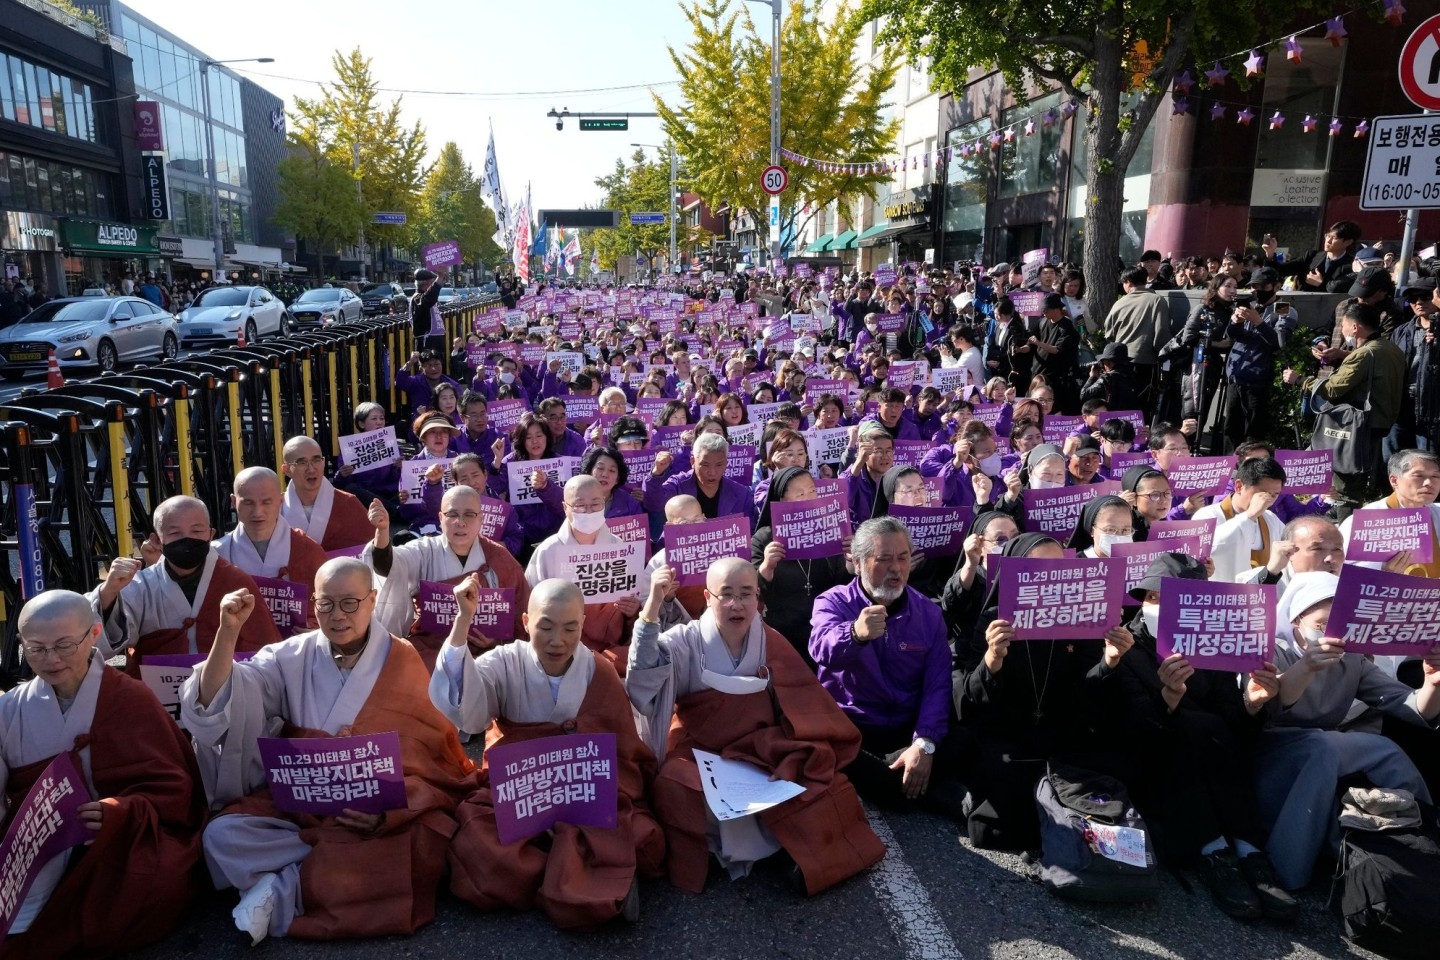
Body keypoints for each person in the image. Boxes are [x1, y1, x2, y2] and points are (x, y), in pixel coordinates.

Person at [181, 558, 479, 943]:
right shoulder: (290, 655)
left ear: (372, 601)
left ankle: (280, 887)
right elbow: (230, 694)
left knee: (426, 841)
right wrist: (228, 634)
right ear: (314, 605)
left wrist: (390, 813)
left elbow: (433, 760)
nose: (337, 616)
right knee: (221, 836)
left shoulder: (402, 659)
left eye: (350, 603)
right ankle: (315, 875)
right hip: (302, 810)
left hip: (374, 816)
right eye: (326, 604)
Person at [625, 559, 885, 894]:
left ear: (757, 597)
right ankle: (778, 845)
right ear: (707, 597)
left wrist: (791, 752)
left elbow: (802, 701)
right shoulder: (683, 641)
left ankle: (793, 855)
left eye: (746, 594)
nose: (737, 604)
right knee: (674, 786)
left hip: (760, 747)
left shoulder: (769, 639)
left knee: (819, 774)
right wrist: (652, 608)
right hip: (701, 748)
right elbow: (643, 680)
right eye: (726, 595)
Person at [430, 577, 664, 927]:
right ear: (526, 623)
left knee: (640, 831)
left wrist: (576, 801)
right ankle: (585, 878)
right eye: (546, 627)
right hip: (521, 794)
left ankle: (551, 874)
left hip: (583, 796)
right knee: (475, 842)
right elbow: (470, 711)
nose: (558, 641)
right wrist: (463, 620)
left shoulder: (598, 671)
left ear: (584, 624)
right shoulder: (505, 663)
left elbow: (622, 755)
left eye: (571, 628)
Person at [0, 591, 206, 958]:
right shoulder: (9, 710)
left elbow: (175, 787)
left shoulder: (130, 698)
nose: (52, 659)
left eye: (64, 645)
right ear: (21, 644)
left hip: (113, 840)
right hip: (36, 846)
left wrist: (119, 811)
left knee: (158, 883)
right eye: (36, 649)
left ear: (94, 634)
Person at [1115, 555, 1295, 920]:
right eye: (1151, 597)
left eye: (1173, 599)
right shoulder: (1128, 648)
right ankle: (1213, 850)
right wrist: (1169, 698)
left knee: (1211, 726)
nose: (1157, 606)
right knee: (1197, 726)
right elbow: (1132, 730)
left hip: (1214, 756)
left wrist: (1252, 703)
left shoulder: (1215, 643)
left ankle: (1248, 849)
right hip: (1156, 763)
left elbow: (1234, 726)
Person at [1259, 572, 1440, 890]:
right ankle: (1288, 867)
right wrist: (1307, 667)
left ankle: (1425, 841)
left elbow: (1409, 706)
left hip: (1323, 746)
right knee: (1323, 747)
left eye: (1341, 625)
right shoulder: (1274, 649)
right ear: (1298, 619)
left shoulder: (1352, 659)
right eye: (1321, 622)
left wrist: (1433, 683)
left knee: (1385, 749)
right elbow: (1274, 705)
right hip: (1271, 746)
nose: (1331, 633)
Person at [954, 533, 1135, 850]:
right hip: (1006, 735)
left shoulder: (1081, 617)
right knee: (1000, 813)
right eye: (1037, 568)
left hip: (1061, 735)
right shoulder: (993, 619)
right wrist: (992, 659)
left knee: (1115, 771)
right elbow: (967, 700)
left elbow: (1088, 693)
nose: (1049, 576)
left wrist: (1109, 660)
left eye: (1057, 566)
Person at [810, 517, 964, 815]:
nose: (896, 568)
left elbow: (938, 684)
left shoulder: (927, 613)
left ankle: (902, 773)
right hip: (852, 728)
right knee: (827, 753)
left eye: (903, 558)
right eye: (883, 559)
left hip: (904, 726)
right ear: (857, 562)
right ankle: (909, 785)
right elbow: (820, 649)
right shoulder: (833, 603)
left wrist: (924, 743)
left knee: (963, 740)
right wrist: (855, 634)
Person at [88, 495, 281, 668]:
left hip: (224, 693)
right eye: (174, 533)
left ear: (210, 535)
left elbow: (263, 649)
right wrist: (108, 593)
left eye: (197, 531)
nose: (187, 540)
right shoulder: (143, 584)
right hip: (157, 696)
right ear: (156, 540)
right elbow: (88, 642)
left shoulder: (235, 581)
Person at [365, 485, 529, 669]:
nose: (460, 522)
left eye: (469, 514)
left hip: (486, 652)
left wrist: (496, 643)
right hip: (434, 647)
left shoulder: (499, 558)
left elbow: (521, 616)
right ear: (441, 519)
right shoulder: (425, 551)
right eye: (452, 514)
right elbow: (390, 566)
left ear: (481, 519)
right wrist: (382, 532)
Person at [1285, 302, 1407, 516]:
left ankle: (1345, 533)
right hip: (1380, 423)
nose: (1342, 331)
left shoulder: (1363, 354)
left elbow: (1332, 389)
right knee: (1351, 480)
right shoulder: (1390, 348)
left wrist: (1300, 380)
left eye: (1343, 326)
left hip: (1356, 428)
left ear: (1355, 328)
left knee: (1346, 488)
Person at [526, 475, 647, 674]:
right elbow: (532, 606)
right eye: (580, 505)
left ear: (604, 504)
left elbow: (637, 603)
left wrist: (632, 611)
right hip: (560, 648)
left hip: (611, 648)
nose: (589, 511)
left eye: (595, 504)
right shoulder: (548, 551)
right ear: (566, 508)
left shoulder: (620, 548)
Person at [752, 467, 850, 663]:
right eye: (800, 494)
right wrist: (767, 566)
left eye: (812, 491)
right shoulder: (764, 538)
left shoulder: (830, 527)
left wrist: (851, 560)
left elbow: (842, 579)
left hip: (825, 625)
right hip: (782, 630)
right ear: (781, 500)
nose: (809, 498)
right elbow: (752, 588)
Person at [215, 467, 329, 633]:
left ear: (280, 501)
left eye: (266, 502)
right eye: (248, 502)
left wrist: (317, 631)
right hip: (238, 652)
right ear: (233, 501)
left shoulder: (308, 550)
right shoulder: (219, 552)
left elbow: (330, 606)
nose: (257, 512)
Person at [1337, 448, 1440, 577]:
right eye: (1419, 475)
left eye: (1435, 476)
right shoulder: (1365, 521)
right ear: (1394, 480)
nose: (1429, 483)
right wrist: (1382, 570)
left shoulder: (1438, 513)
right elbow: (1339, 569)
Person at [1194, 456, 1287, 582]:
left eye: (1274, 495)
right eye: (1262, 494)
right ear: (1238, 486)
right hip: (1222, 595)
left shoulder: (1271, 519)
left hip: (1261, 596)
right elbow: (1209, 550)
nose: (1268, 500)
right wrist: (1249, 515)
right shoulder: (1207, 516)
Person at [279, 436, 374, 553]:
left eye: (316, 460)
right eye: (302, 462)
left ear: (323, 462)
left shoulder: (348, 503)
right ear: (286, 470)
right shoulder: (275, 508)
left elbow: (372, 551)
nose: (311, 469)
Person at [643, 432, 757, 527]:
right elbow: (654, 504)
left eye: (719, 465)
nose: (712, 472)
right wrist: (657, 473)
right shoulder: (679, 485)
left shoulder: (742, 494)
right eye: (705, 465)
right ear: (693, 462)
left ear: (726, 463)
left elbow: (749, 531)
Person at [1102, 268, 1172, 406]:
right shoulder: (1157, 300)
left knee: (1119, 402)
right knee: (1141, 403)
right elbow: (1162, 333)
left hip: (1118, 361)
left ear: (1128, 282)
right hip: (1145, 360)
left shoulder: (1120, 303)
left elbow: (1108, 332)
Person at [410, 268, 443, 350]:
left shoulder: (422, 296)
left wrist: (441, 275)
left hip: (433, 340)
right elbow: (429, 299)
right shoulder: (417, 298)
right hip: (426, 341)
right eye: (432, 282)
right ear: (426, 283)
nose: (433, 285)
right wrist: (439, 278)